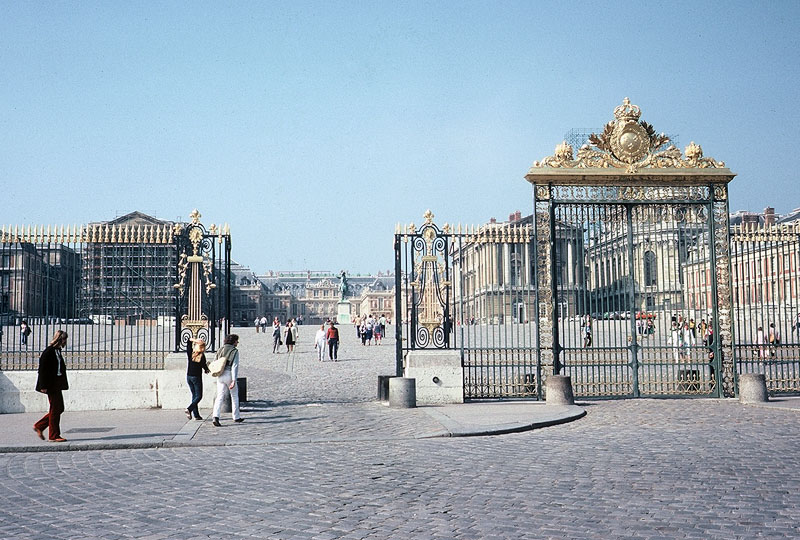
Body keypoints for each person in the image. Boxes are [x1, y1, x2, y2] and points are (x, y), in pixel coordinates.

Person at [33, 330, 69, 442]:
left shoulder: (57, 351)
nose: (65, 342)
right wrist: (43, 385)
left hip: (57, 383)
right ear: (59, 339)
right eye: (64, 339)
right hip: (50, 384)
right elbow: (42, 370)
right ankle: (53, 435)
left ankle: (40, 426)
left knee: (59, 408)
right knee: (55, 409)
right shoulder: (49, 352)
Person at [212, 334, 243, 427]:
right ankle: (236, 416)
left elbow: (215, 361)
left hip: (220, 375)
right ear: (233, 342)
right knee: (234, 396)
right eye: (237, 341)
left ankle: (215, 416)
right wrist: (234, 380)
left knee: (219, 396)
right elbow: (235, 366)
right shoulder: (234, 351)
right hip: (229, 374)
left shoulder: (220, 349)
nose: (237, 342)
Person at [185, 338, 210, 420]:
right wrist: (207, 369)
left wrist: (195, 340)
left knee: (194, 395)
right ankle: (189, 409)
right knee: (199, 396)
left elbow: (188, 342)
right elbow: (205, 368)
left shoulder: (191, 354)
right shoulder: (202, 356)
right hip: (196, 377)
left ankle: (196, 415)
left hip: (189, 377)